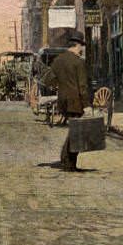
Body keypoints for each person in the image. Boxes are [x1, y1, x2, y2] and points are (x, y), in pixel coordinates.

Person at [48, 33, 89, 171]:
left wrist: (60, 86)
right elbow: (82, 87)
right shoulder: (79, 62)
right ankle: (68, 162)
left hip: (63, 101)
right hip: (75, 102)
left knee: (73, 130)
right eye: (81, 46)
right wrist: (87, 105)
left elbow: (49, 80)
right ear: (77, 46)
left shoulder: (58, 60)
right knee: (76, 132)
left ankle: (66, 160)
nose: (82, 49)